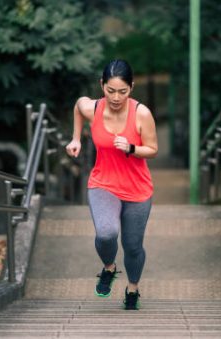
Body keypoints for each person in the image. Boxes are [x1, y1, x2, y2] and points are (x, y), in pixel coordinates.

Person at [65, 59, 158, 310]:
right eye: (110, 90)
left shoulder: (142, 114)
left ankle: (133, 289)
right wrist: (76, 138)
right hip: (102, 182)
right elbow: (77, 105)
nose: (116, 97)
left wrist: (131, 148)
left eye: (123, 91)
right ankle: (109, 267)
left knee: (132, 245)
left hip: (137, 189)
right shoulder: (93, 109)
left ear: (132, 88)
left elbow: (152, 149)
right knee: (106, 233)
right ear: (102, 85)